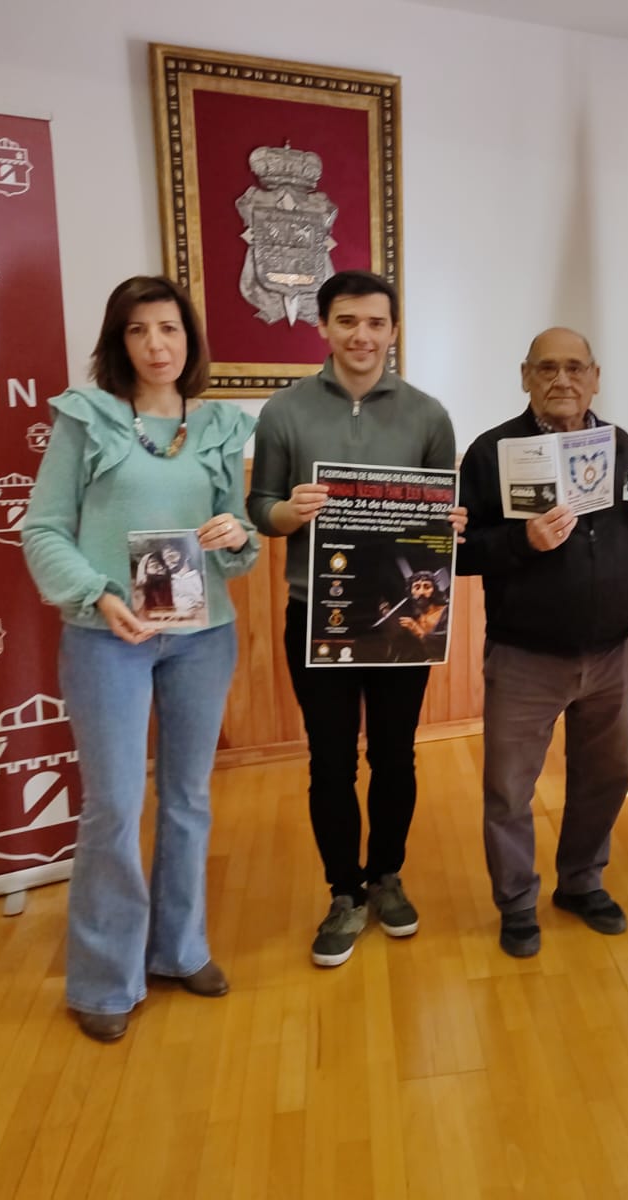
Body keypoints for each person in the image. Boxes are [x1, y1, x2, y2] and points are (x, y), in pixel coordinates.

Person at [22, 275, 258, 1043]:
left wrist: (235, 537)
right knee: (116, 808)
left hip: (203, 637)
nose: (158, 345)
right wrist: (96, 596)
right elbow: (43, 529)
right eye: (139, 330)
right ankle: (102, 979)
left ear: (190, 340)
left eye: (171, 329)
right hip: (107, 639)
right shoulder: (86, 418)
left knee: (187, 801)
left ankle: (179, 950)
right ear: (117, 342)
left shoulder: (220, 424)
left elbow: (240, 549)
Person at [248, 270, 463, 968]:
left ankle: (387, 875)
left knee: (395, 756)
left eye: (375, 323)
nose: (362, 335)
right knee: (331, 762)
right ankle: (344, 890)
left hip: (405, 621)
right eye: (347, 321)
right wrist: (288, 513)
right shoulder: (284, 411)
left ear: (393, 330)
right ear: (324, 327)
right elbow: (262, 507)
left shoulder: (429, 415)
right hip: (320, 614)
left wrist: (451, 522)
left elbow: (442, 520)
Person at [458, 327, 628, 957]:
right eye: (546, 369)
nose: (562, 380)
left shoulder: (622, 446)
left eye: (575, 368)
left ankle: (581, 882)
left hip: (612, 652)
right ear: (525, 376)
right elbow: (461, 552)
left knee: (608, 776)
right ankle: (518, 901)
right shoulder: (491, 451)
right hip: (526, 655)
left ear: (596, 376)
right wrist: (524, 541)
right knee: (509, 790)